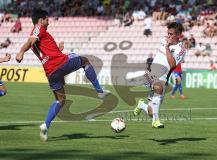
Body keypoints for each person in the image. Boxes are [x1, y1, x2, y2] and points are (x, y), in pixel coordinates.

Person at [15, 9, 110, 142]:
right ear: (41, 20)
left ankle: (45, 125)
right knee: (85, 61)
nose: (48, 21)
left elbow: (43, 51)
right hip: (60, 64)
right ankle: (99, 91)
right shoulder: (38, 28)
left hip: (51, 72)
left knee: (60, 100)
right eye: (47, 19)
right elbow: (30, 41)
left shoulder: (42, 35)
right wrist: (21, 52)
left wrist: (58, 50)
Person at [133, 22, 186, 128]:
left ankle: (141, 105)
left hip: (163, 79)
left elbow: (172, 65)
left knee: (151, 111)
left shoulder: (181, 50)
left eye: (171, 34)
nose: (168, 36)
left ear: (178, 34)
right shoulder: (163, 40)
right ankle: (156, 121)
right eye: (168, 33)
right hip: (151, 74)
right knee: (158, 87)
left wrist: (167, 48)